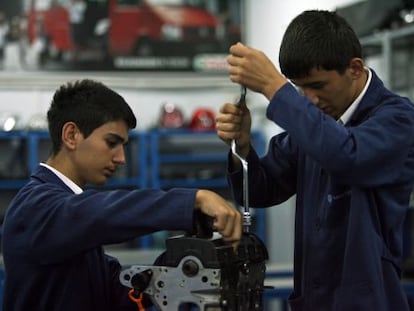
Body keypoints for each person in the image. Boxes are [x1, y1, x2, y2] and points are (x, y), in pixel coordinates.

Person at [215, 9, 414, 311]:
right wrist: (241, 147)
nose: (310, 99)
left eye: (318, 86)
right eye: (299, 88)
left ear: (355, 69)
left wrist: (274, 87)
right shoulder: (312, 127)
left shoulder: (398, 119)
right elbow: (259, 190)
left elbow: (348, 155)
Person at [2, 79, 242, 311]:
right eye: (111, 142)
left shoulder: (71, 223)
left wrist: (187, 257)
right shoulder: (35, 207)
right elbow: (98, 213)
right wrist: (193, 200)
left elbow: (116, 292)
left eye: (123, 146)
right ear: (71, 135)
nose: (121, 158)